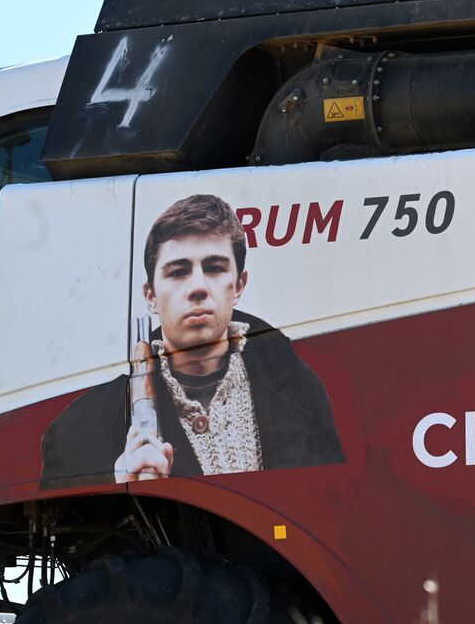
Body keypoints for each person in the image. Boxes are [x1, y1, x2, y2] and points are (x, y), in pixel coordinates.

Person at [40, 193, 345, 488]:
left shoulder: (300, 391)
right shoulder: (80, 428)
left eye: (214, 268)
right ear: (151, 296)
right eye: (178, 271)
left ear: (238, 285)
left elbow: (336, 505)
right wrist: (119, 489)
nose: (198, 287)